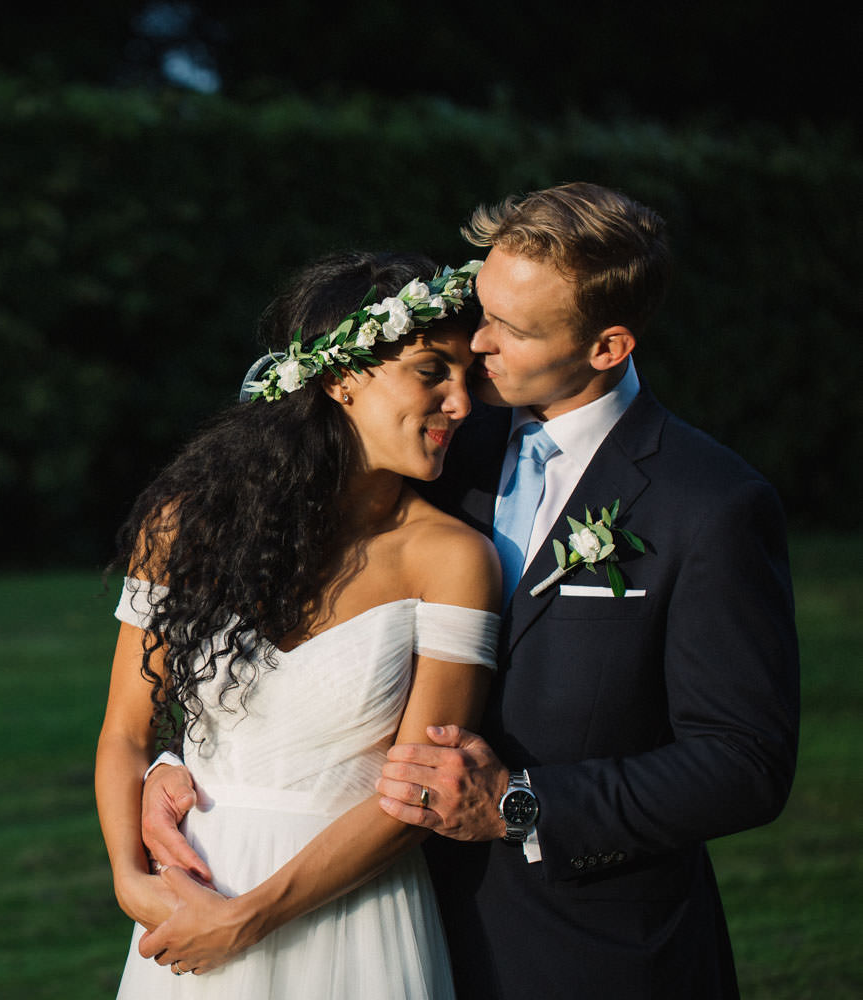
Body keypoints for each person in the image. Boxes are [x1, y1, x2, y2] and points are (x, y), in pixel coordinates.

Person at [139, 183, 801, 998]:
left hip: (586, 951)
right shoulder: (437, 439)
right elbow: (295, 611)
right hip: (379, 917)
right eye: (481, 305)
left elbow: (743, 764)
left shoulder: (709, 504)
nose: (476, 340)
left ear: (607, 347)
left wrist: (523, 805)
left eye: (512, 330)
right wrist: (189, 759)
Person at [95, 250, 501, 998]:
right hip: (192, 900)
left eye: (467, 375)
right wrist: (130, 879)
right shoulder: (184, 524)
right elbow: (126, 730)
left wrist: (247, 919)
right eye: (431, 370)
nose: (463, 403)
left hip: (355, 915)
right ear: (343, 376)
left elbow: (415, 795)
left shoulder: (452, 559)